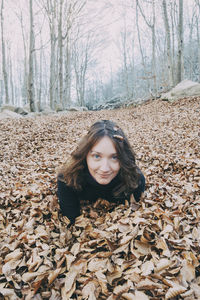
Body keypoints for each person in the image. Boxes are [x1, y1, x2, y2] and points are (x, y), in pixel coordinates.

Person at [57, 120, 145, 224]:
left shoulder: (134, 180)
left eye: (114, 157)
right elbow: (71, 222)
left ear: (123, 158)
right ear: (85, 155)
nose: (105, 168)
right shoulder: (68, 178)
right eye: (97, 156)